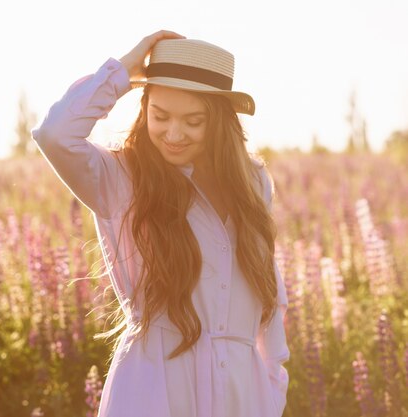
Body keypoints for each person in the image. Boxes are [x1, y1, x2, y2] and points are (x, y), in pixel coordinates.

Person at [31, 30, 290, 417]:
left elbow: (269, 293)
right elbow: (55, 135)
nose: (173, 134)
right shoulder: (122, 177)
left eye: (192, 121)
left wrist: (270, 391)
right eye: (160, 115)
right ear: (144, 107)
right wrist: (120, 73)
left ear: (219, 121)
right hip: (155, 391)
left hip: (242, 396)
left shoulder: (253, 183)